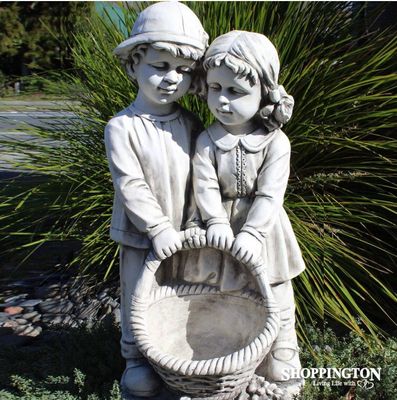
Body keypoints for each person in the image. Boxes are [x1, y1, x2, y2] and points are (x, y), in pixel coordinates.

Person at [189, 30, 306, 394]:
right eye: (214, 88)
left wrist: (253, 233)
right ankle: (232, 359)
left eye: (236, 91)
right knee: (227, 293)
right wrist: (216, 221)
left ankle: (282, 355)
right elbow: (204, 185)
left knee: (277, 292)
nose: (222, 101)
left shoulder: (275, 142)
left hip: (265, 230)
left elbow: (271, 195)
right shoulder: (207, 140)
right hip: (222, 230)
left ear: (264, 92)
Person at [104, 2, 208, 397]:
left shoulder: (192, 123)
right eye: (159, 66)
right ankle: (136, 360)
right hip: (140, 235)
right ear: (133, 65)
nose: (171, 79)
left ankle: (178, 361)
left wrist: (197, 219)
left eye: (183, 71)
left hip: (185, 235)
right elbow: (130, 184)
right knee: (138, 294)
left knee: (180, 294)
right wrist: (158, 227)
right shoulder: (121, 127)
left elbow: (203, 177)